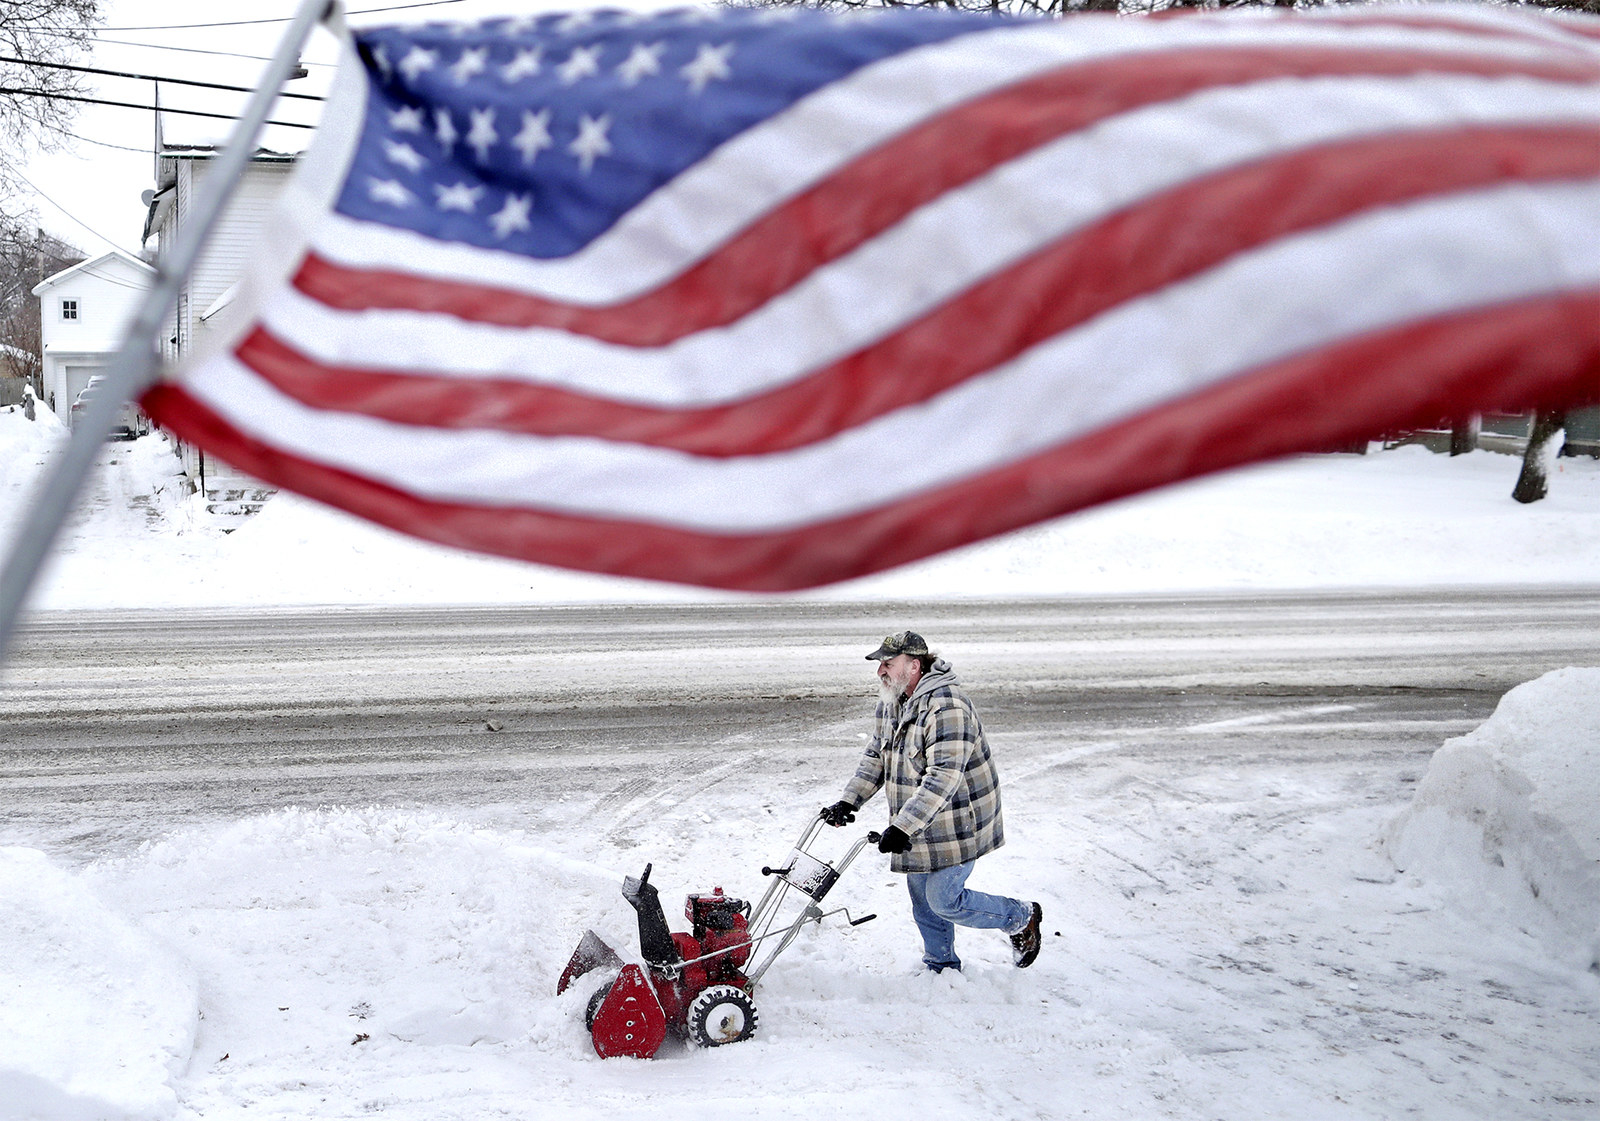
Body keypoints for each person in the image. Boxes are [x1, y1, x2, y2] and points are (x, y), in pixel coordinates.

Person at [821, 630, 1042, 973]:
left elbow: (943, 778)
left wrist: (901, 826)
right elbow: (876, 756)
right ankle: (941, 966)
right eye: (879, 663)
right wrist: (849, 801)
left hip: (959, 819)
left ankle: (1021, 916)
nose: (880, 670)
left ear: (913, 665)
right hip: (919, 817)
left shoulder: (948, 707)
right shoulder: (892, 701)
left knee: (944, 900)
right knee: (923, 901)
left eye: (887, 663)